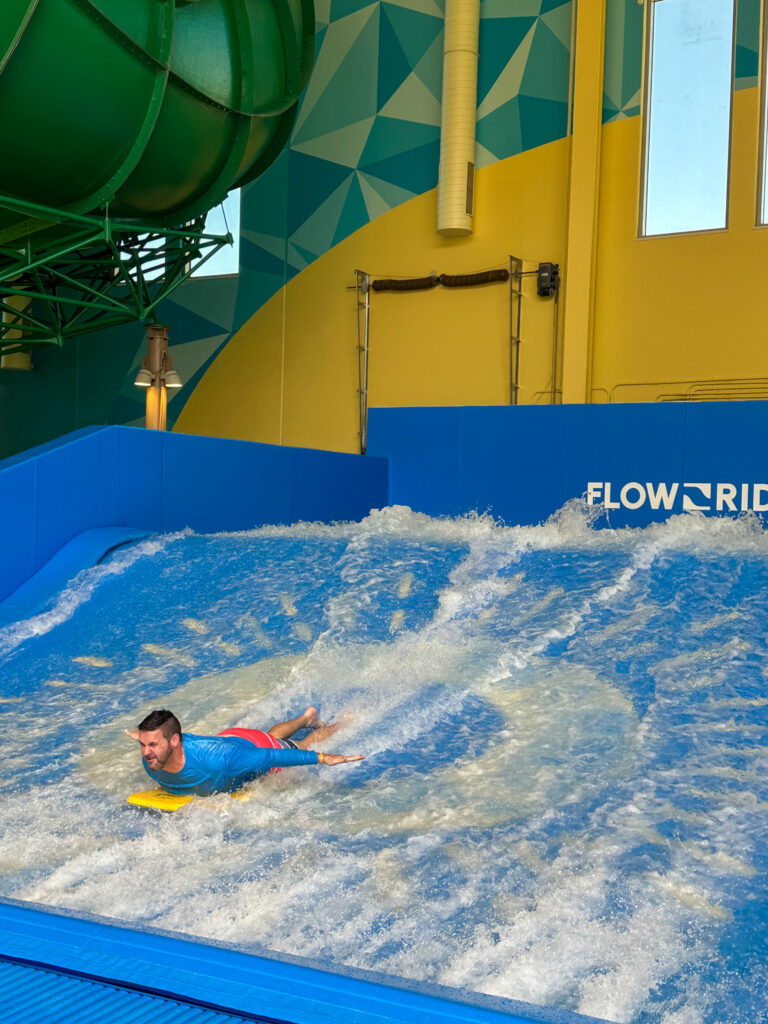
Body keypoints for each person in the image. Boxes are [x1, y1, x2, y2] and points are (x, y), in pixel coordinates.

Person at [126, 706, 363, 797]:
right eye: (143, 744)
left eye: (153, 744)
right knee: (272, 736)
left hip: (239, 750)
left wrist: (322, 758)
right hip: (229, 741)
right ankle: (305, 718)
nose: (146, 752)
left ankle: (342, 722)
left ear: (174, 741)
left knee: (299, 745)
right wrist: (148, 740)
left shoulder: (219, 761)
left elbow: (270, 756)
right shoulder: (153, 757)